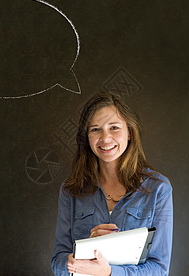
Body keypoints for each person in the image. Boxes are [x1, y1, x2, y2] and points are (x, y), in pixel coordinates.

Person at [51, 92, 173, 275]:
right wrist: (78, 258)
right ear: (87, 138)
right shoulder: (71, 190)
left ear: (129, 133)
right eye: (95, 129)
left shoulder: (158, 188)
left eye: (114, 127)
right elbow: (58, 261)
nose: (105, 138)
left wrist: (109, 272)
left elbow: (159, 269)